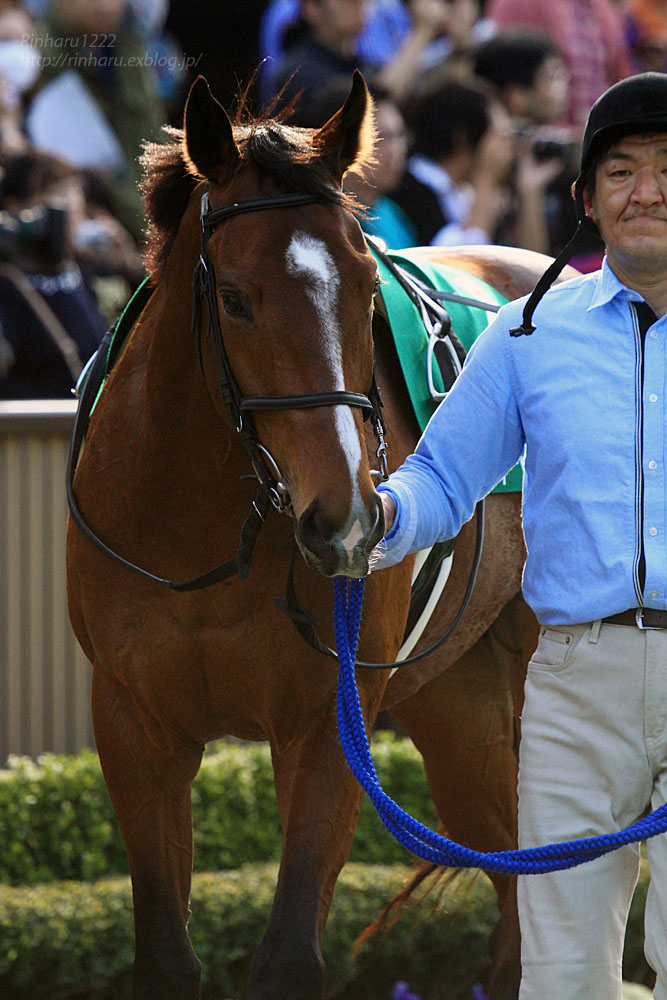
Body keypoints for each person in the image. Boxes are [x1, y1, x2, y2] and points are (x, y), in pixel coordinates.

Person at [371, 71, 667, 999]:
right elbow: (440, 481)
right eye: (618, 171)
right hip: (575, 684)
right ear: (584, 199)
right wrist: (370, 522)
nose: (644, 191)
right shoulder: (524, 332)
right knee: (562, 975)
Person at [0, 149, 108, 398]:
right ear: (15, 208)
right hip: (36, 431)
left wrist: (132, 268)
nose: (69, 209)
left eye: (73, 194)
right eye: (54, 195)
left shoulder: (84, 273)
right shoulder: (7, 282)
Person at [272, 0, 451, 123]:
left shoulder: (362, 64)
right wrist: (422, 32)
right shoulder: (297, 72)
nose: (360, 3)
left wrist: (457, 48)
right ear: (311, 8)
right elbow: (373, 104)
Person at [389, 76, 515, 247]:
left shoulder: (460, 192)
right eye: (498, 138)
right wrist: (486, 179)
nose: (506, 150)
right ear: (462, 138)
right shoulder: (409, 190)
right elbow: (462, 262)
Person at [485, 0, 632, 128]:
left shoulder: (602, 8)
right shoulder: (517, 4)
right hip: (546, 141)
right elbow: (502, 70)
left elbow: (622, 79)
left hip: (595, 140)